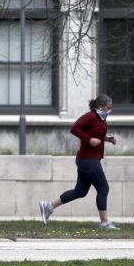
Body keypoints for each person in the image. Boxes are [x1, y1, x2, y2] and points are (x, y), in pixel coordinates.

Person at [39, 94, 119, 229]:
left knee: (80, 191)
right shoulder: (90, 116)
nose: (109, 111)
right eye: (108, 108)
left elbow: (96, 134)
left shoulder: (100, 119)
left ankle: (48, 206)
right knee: (103, 187)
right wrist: (89, 140)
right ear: (100, 106)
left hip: (87, 160)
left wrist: (107, 139)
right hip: (88, 160)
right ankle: (105, 222)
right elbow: (74, 128)